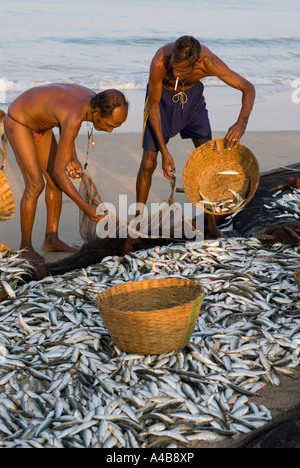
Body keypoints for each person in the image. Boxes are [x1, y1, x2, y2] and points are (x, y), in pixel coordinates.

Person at [136, 35, 255, 237]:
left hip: (192, 102)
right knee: (149, 162)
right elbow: (153, 107)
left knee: (208, 162)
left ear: (197, 63)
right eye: (173, 66)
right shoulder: (159, 60)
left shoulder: (210, 63)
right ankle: (137, 222)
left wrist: (241, 123)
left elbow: (248, 88)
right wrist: (165, 152)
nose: (174, 72)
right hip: (161, 103)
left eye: (181, 70)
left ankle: (211, 225)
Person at [4, 84, 129, 265]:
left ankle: (51, 239)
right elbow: (59, 169)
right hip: (19, 122)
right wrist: (85, 207)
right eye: (110, 125)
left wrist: (73, 157)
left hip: (42, 125)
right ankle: (26, 248)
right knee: (36, 184)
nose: (111, 130)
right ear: (97, 113)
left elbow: (65, 126)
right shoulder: (76, 113)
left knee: (54, 183)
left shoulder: (94, 102)